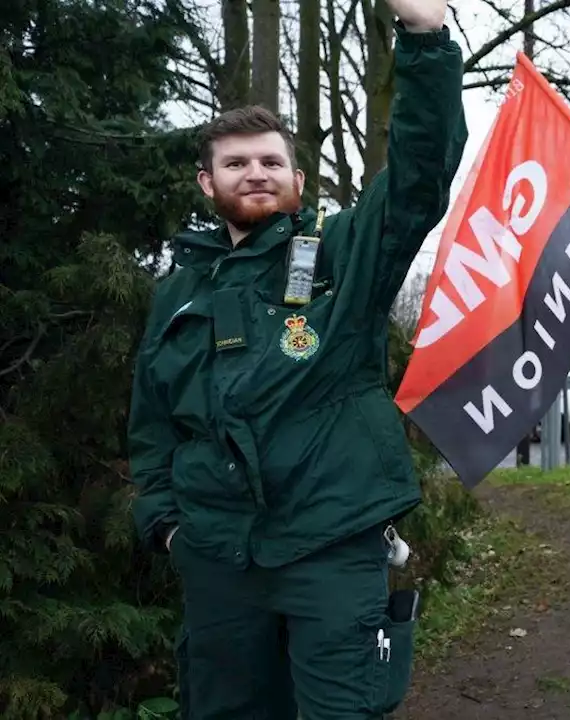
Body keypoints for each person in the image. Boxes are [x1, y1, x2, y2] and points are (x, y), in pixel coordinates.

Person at [126, 1, 467, 716]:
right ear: (207, 183)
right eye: (236, 163)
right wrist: (166, 524)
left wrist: (426, 40)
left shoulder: (344, 255)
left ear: (298, 181)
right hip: (218, 556)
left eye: (271, 161)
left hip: (331, 548)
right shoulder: (178, 293)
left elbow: (418, 176)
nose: (255, 172)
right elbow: (152, 422)